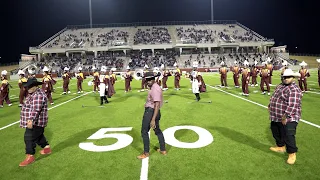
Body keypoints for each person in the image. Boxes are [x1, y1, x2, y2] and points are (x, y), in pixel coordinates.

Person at [268, 69, 302, 165]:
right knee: (275, 130)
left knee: (288, 134)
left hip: (289, 116)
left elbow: (293, 105)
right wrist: (270, 105)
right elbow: (274, 96)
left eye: (288, 77)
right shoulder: (280, 86)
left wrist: (285, 116)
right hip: (277, 115)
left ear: (293, 78)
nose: (286, 79)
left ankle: (292, 153)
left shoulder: (294, 89)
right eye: (284, 77)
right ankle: (280, 146)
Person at [19, 78, 51, 167]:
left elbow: (35, 109)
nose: (27, 88)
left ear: (35, 86)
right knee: (38, 136)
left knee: (28, 137)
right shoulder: (34, 93)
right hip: (37, 122)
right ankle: (47, 148)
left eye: (29, 86)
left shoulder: (38, 95)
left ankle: (30, 156)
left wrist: (30, 120)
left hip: (36, 122)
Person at [137, 71, 166, 159]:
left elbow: (157, 104)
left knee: (144, 131)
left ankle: (146, 153)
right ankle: (163, 149)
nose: (148, 82)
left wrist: (153, 119)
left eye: (150, 80)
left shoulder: (155, 89)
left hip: (151, 112)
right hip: (155, 112)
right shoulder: (155, 86)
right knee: (157, 130)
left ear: (153, 79)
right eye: (147, 80)